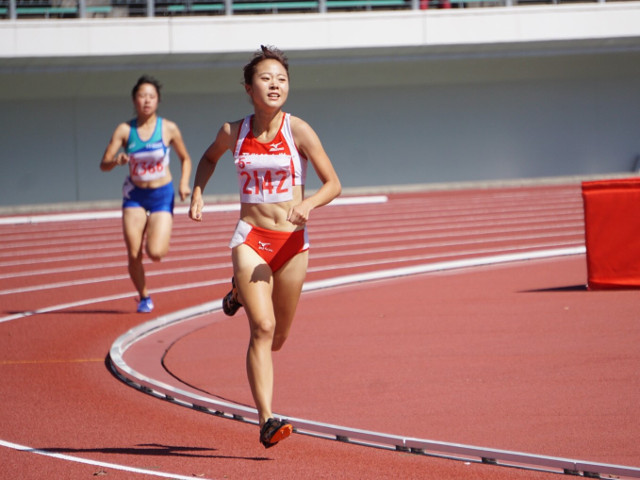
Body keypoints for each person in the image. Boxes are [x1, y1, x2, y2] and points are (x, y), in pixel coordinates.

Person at [189, 45, 341, 448]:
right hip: (250, 239)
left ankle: (237, 291)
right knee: (263, 327)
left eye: (282, 79)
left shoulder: (299, 130)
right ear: (248, 87)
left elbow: (333, 183)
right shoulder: (233, 131)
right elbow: (208, 158)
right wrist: (198, 192)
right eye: (266, 78)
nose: (275, 85)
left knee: (280, 338)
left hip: (293, 243)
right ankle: (267, 420)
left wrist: (308, 203)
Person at [100, 75, 192, 313]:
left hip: (162, 194)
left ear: (158, 100)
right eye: (142, 96)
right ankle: (144, 296)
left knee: (156, 253)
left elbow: (185, 158)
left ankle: (154, 223)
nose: (147, 101)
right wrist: (116, 161)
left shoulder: (168, 128)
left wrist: (183, 184)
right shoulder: (124, 130)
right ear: (134, 100)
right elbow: (104, 163)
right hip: (135, 196)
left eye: (151, 96)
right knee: (133, 253)